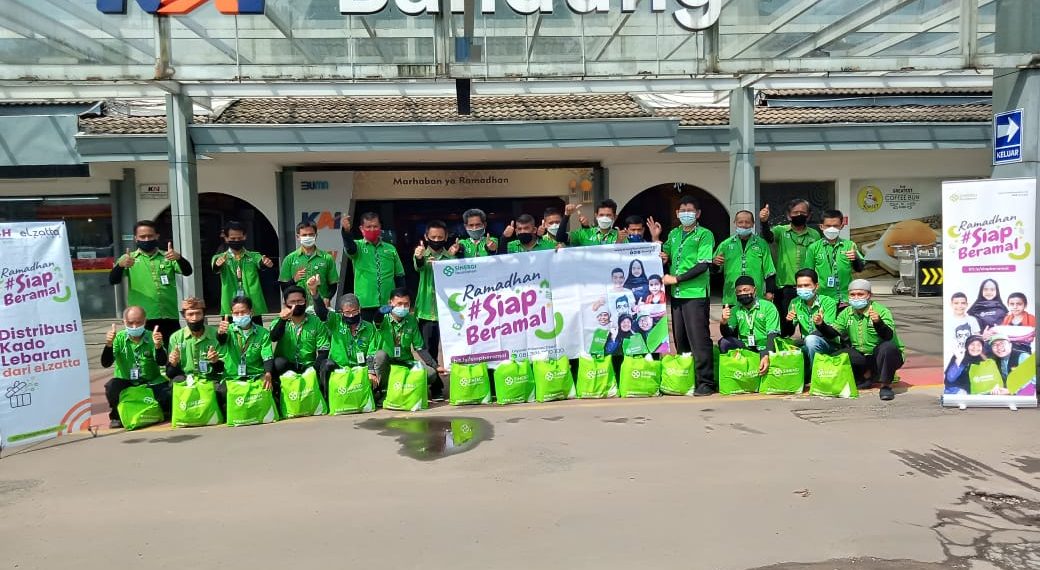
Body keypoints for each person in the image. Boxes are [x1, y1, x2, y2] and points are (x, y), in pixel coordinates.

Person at [649, 196, 715, 395]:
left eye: (690, 210)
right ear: (677, 214)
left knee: (699, 339)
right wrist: (655, 239)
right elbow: (663, 255)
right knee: (680, 338)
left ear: (698, 214)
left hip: (695, 293)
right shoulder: (674, 234)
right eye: (682, 210)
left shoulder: (704, 234)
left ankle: (706, 382)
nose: (686, 213)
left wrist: (677, 279)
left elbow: (703, 265)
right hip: (677, 295)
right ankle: (687, 378)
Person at [815, 279, 904, 401]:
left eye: (860, 294)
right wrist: (821, 324)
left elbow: (887, 336)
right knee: (836, 357)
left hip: (883, 355)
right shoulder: (847, 312)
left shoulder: (881, 311)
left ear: (869, 295)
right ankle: (866, 376)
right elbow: (832, 333)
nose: (856, 298)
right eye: (852, 294)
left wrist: (878, 322)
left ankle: (886, 386)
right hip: (862, 355)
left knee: (887, 348)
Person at [108, 220, 193, 345]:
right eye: (142, 237)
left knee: (174, 355)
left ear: (157, 236)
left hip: (169, 315)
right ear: (136, 238)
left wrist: (179, 258)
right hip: (142, 319)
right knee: (147, 356)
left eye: (150, 236)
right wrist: (120, 266)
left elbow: (187, 271)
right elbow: (113, 280)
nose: (146, 239)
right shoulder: (129, 258)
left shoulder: (167, 256)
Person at [101, 306, 171, 429]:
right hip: (126, 381)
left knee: (169, 393)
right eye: (130, 323)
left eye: (138, 323)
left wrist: (158, 346)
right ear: (124, 322)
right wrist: (108, 344)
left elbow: (162, 362)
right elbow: (105, 363)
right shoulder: (119, 338)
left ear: (145, 321)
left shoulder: (153, 336)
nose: (134, 327)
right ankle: (116, 416)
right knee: (111, 386)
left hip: (151, 380)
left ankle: (162, 410)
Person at [760, 200, 821, 338]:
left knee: (810, 324)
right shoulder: (781, 231)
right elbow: (768, 237)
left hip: (808, 287)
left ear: (809, 215)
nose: (799, 215)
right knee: (785, 326)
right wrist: (764, 222)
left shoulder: (815, 235)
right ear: (788, 215)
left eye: (803, 213)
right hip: (785, 287)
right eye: (795, 213)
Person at [310, 289, 383, 400]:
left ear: (360, 309)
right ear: (341, 312)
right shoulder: (335, 321)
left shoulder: (369, 328)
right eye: (347, 313)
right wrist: (315, 293)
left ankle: (374, 394)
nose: (351, 315)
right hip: (339, 367)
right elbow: (322, 312)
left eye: (354, 311)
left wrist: (370, 371)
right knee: (326, 364)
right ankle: (326, 398)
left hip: (360, 368)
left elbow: (371, 352)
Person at [373, 288, 442, 401]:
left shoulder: (411, 320)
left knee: (431, 374)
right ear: (390, 303)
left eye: (406, 304)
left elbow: (419, 348)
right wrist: (379, 313)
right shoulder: (384, 319)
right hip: (388, 364)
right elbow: (377, 321)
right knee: (380, 356)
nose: (403, 307)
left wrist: (436, 366)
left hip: (405, 363)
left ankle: (407, 388)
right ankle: (385, 391)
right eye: (399, 304)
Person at [268, 286, 330, 405]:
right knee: (278, 363)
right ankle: (280, 398)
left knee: (326, 364)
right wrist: (283, 320)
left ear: (306, 302)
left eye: (300, 301)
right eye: (292, 302)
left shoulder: (316, 322)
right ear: (285, 303)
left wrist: (314, 369)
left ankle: (323, 397)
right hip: (287, 367)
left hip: (308, 366)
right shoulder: (278, 320)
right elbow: (274, 337)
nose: (296, 305)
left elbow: (323, 350)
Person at [341, 212, 406, 323]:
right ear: (362, 228)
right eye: (368, 227)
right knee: (368, 337)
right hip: (365, 303)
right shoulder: (358, 246)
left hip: (388, 304)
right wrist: (346, 233)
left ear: (380, 227)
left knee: (387, 336)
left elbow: (399, 276)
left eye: (375, 226)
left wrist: (402, 300)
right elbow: (350, 249)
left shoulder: (390, 249)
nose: (372, 229)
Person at [413, 220, 457, 371]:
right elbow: (418, 267)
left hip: (449, 311)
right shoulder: (421, 255)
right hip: (427, 312)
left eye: (440, 237)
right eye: (433, 237)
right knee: (428, 349)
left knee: (454, 347)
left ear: (446, 238)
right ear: (426, 237)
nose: (436, 240)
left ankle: (459, 379)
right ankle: (435, 385)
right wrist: (420, 258)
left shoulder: (452, 259)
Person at [212, 220, 273, 324]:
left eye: (239, 238)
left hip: (252, 305)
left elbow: (261, 263)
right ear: (226, 238)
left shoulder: (254, 256)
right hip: (230, 304)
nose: (236, 240)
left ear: (245, 237)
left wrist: (265, 263)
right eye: (233, 238)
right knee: (230, 336)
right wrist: (218, 265)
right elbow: (215, 268)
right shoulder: (219, 257)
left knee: (256, 336)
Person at [712, 210, 777, 307]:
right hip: (731, 297)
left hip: (756, 296)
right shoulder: (725, 244)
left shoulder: (761, 244)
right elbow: (714, 270)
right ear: (735, 223)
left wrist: (770, 291)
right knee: (730, 321)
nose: (744, 225)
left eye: (747, 222)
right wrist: (715, 264)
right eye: (740, 222)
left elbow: (770, 270)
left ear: (753, 224)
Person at [718, 276, 780, 377]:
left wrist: (766, 354)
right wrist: (723, 322)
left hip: (765, 348)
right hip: (746, 348)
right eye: (739, 291)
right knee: (724, 342)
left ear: (754, 290)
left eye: (746, 290)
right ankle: (732, 373)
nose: (742, 293)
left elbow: (773, 334)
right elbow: (727, 334)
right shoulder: (735, 310)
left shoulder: (768, 307)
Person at [803, 210, 865, 305]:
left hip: (846, 299)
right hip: (822, 298)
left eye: (835, 226)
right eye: (828, 226)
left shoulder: (849, 245)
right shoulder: (813, 248)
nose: (832, 229)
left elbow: (860, 269)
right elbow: (808, 274)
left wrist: (855, 258)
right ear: (821, 226)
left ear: (841, 226)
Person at [217, 296, 275, 394]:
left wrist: (268, 374)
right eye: (236, 313)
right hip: (232, 376)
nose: (240, 315)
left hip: (256, 374)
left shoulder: (263, 333)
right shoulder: (228, 330)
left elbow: (267, 355)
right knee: (222, 393)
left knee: (267, 390)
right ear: (232, 314)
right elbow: (222, 340)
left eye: (243, 312)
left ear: (251, 313)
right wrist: (220, 333)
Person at [785, 269, 838, 370]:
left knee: (811, 340)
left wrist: (821, 324)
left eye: (806, 285)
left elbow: (830, 332)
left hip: (828, 344)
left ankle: (816, 374)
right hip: (806, 343)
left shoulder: (828, 302)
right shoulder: (794, 302)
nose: (803, 289)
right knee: (785, 346)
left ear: (816, 286)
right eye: (799, 286)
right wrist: (788, 322)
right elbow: (789, 333)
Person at [279, 221, 339, 307]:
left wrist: (327, 298)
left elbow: (333, 284)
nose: (308, 237)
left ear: (316, 236)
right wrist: (294, 280)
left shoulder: (327, 258)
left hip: (321, 305)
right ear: (298, 237)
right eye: (304, 235)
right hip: (297, 307)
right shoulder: (289, 259)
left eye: (311, 234)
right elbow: (283, 287)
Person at [166, 297, 224, 385]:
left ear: (204, 314)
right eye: (190, 314)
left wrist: (215, 362)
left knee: (222, 391)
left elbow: (222, 369)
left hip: (210, 379)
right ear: (184, 316)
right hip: (186, 379)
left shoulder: (216, 335)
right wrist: (173, 364)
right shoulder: (176, 337)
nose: (195, 318)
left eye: (198, 313)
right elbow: (170, 373)